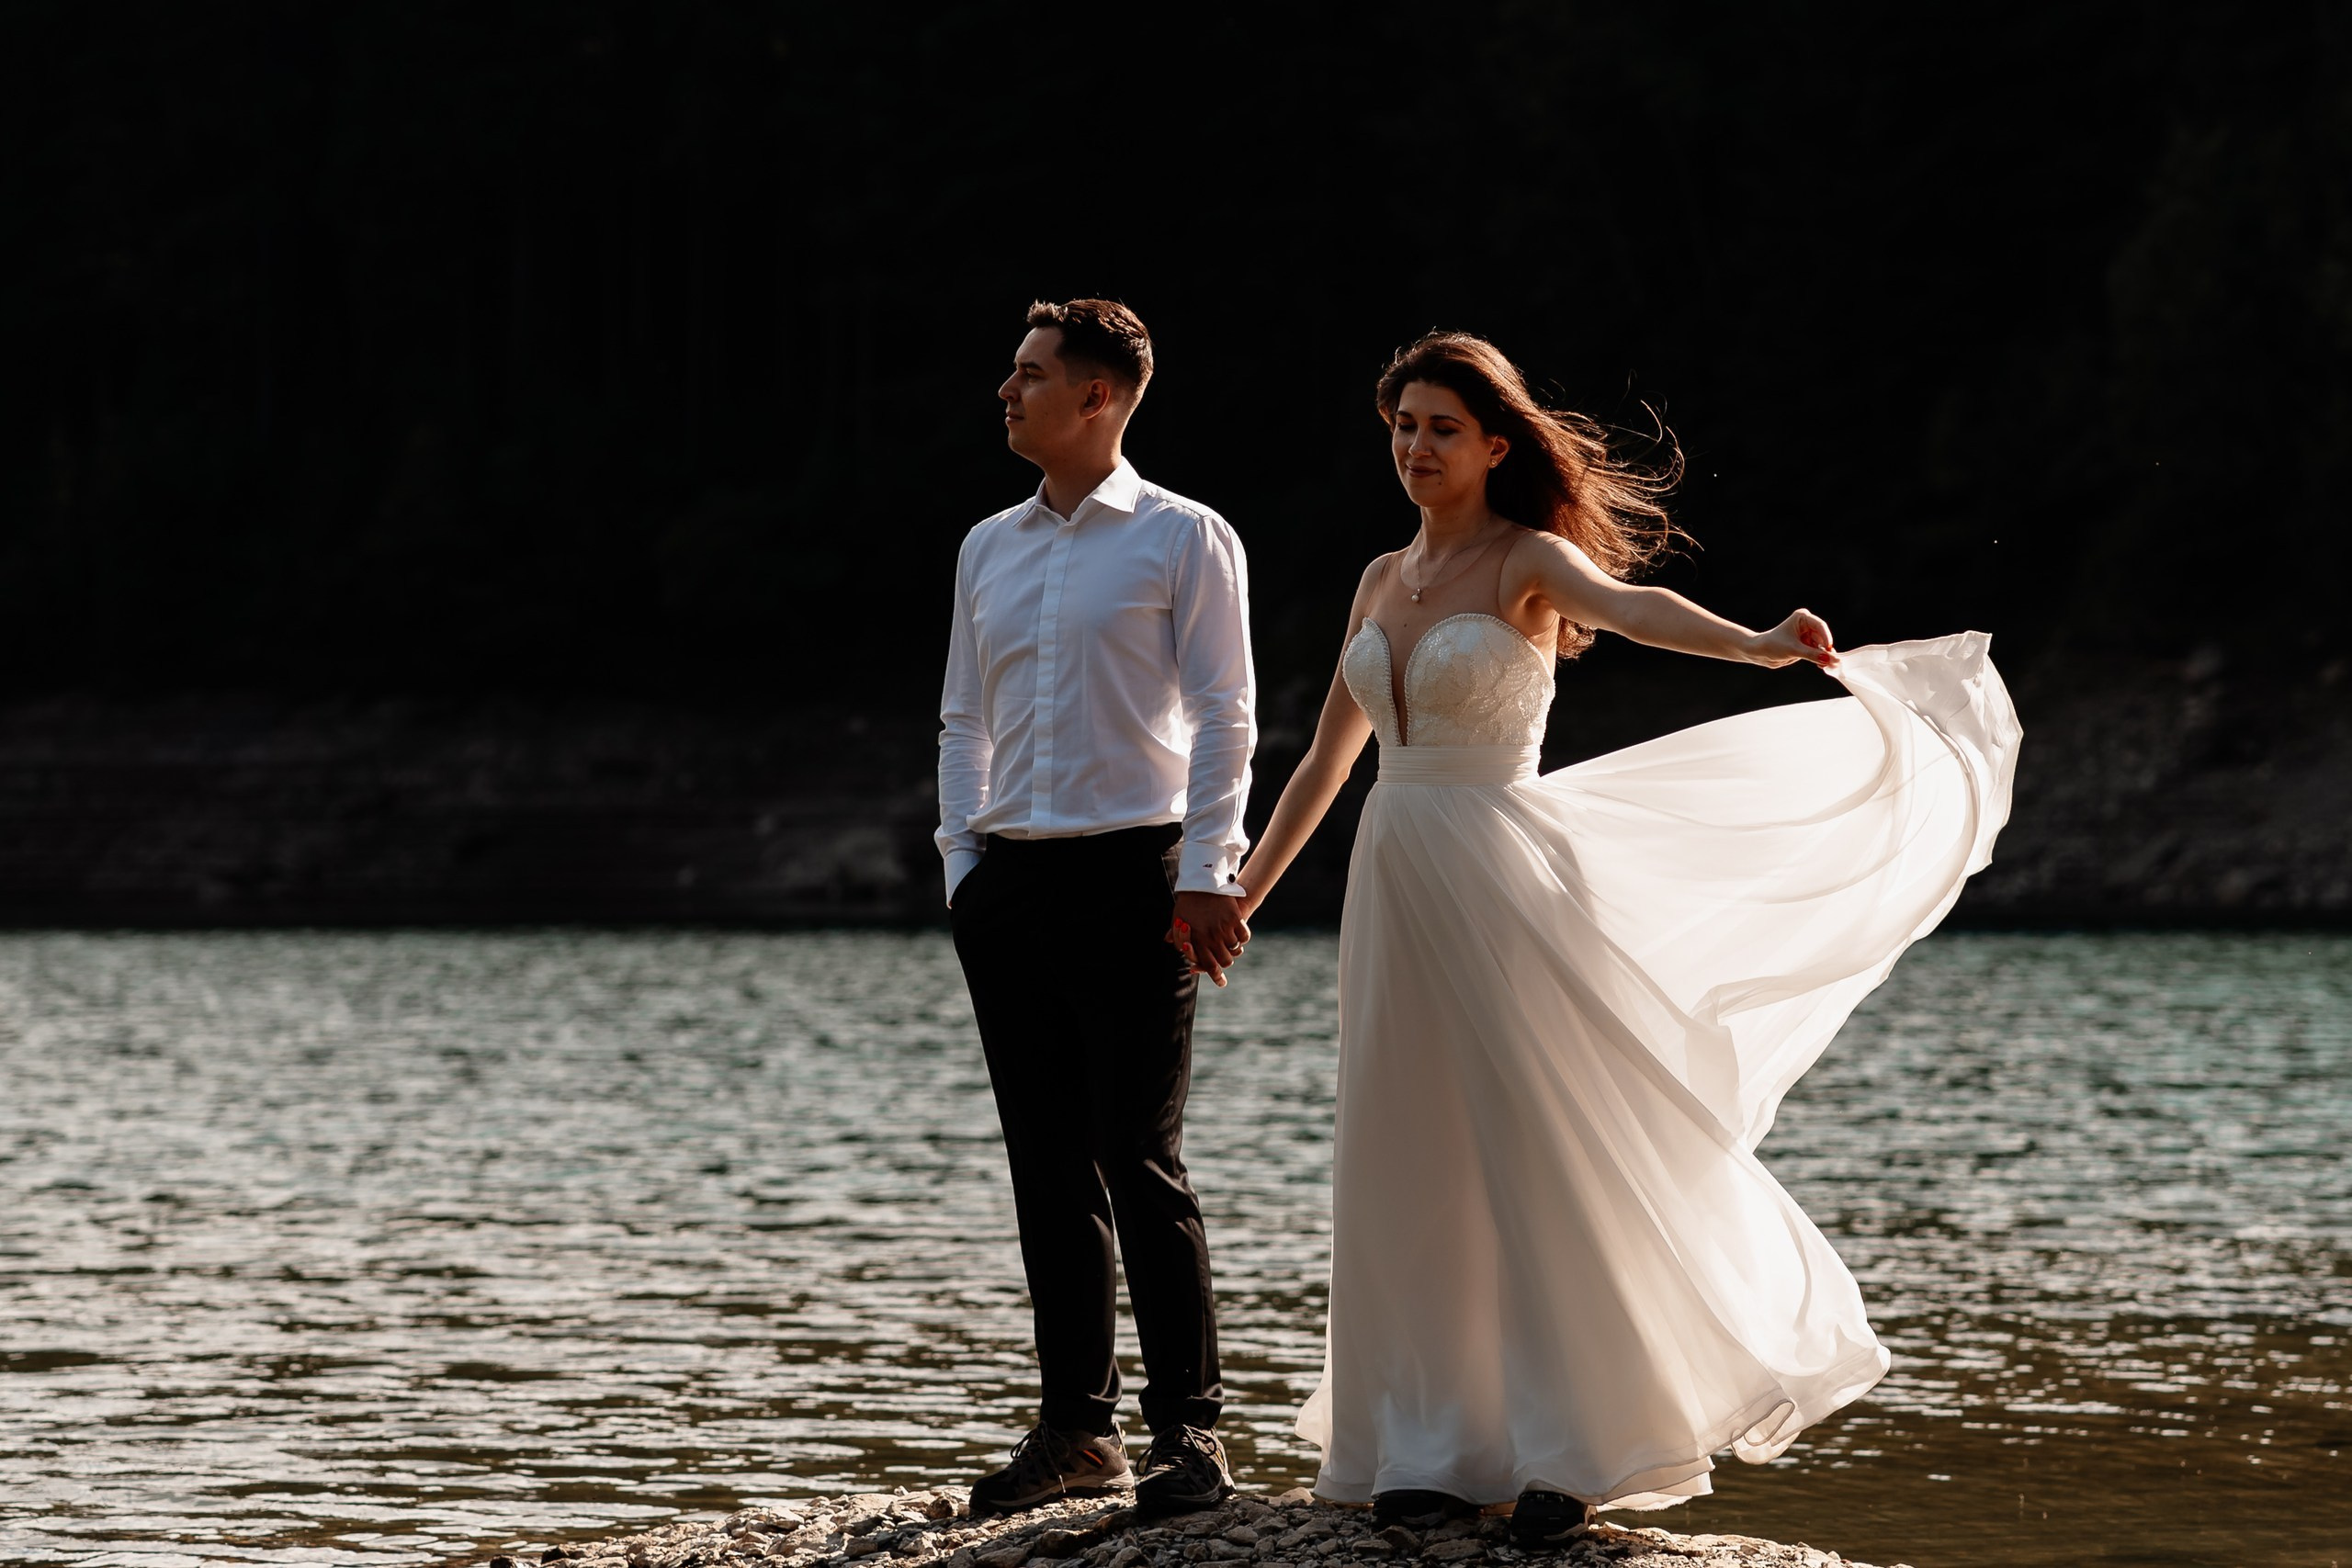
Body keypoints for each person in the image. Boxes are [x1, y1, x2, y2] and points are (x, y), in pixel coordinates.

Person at [1231, 333, 2019, 1545]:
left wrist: (1758, 643)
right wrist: (1243, 892)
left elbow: (1638, 608)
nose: (1417, 447)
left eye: (1443, 426)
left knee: (1534, 1152)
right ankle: (1430, 1446)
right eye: (1402, 426)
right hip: (1392, 886)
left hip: (1503, 874)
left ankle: (1574, 1450)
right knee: (1411, 1158)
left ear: (1497, 445)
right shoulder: (1381, 580)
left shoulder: (1529, 559)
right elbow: (1328, 764)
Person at [937, 299, 1256, 1517]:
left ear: (1099, 398)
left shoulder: (1186, 538)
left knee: (1141, 1154)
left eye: (1027, 376)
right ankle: (1077, 1433)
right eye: (1009, 373)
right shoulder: (985, 546)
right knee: (1043, 1167)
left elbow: (1228, 715)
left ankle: (1190, 1438)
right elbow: (964, 719)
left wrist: (1209, 869)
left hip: (1139, 875)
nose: (1005, 393)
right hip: (1008, 882)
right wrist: (964, 868)